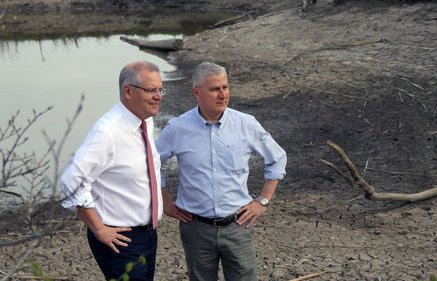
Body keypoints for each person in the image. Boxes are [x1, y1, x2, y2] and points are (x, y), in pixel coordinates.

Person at [156, 62, 287, 281]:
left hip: (237, 225)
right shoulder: (178, 128)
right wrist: (165, 203)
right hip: (196, 229)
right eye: (215, 89)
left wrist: (263, 201)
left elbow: (278, 158)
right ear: (196, 92)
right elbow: (151, 164)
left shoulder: (246, 124)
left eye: (225, 87)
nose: (222, 94)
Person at [60, 61, 165, 281]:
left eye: (160, 89)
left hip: (147, 234)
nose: (158, 96)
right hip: (120, 239)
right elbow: (71, 180)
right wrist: (98, 228)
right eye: (151, 90)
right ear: (128, 91)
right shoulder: (107, 132)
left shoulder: (145, 121)